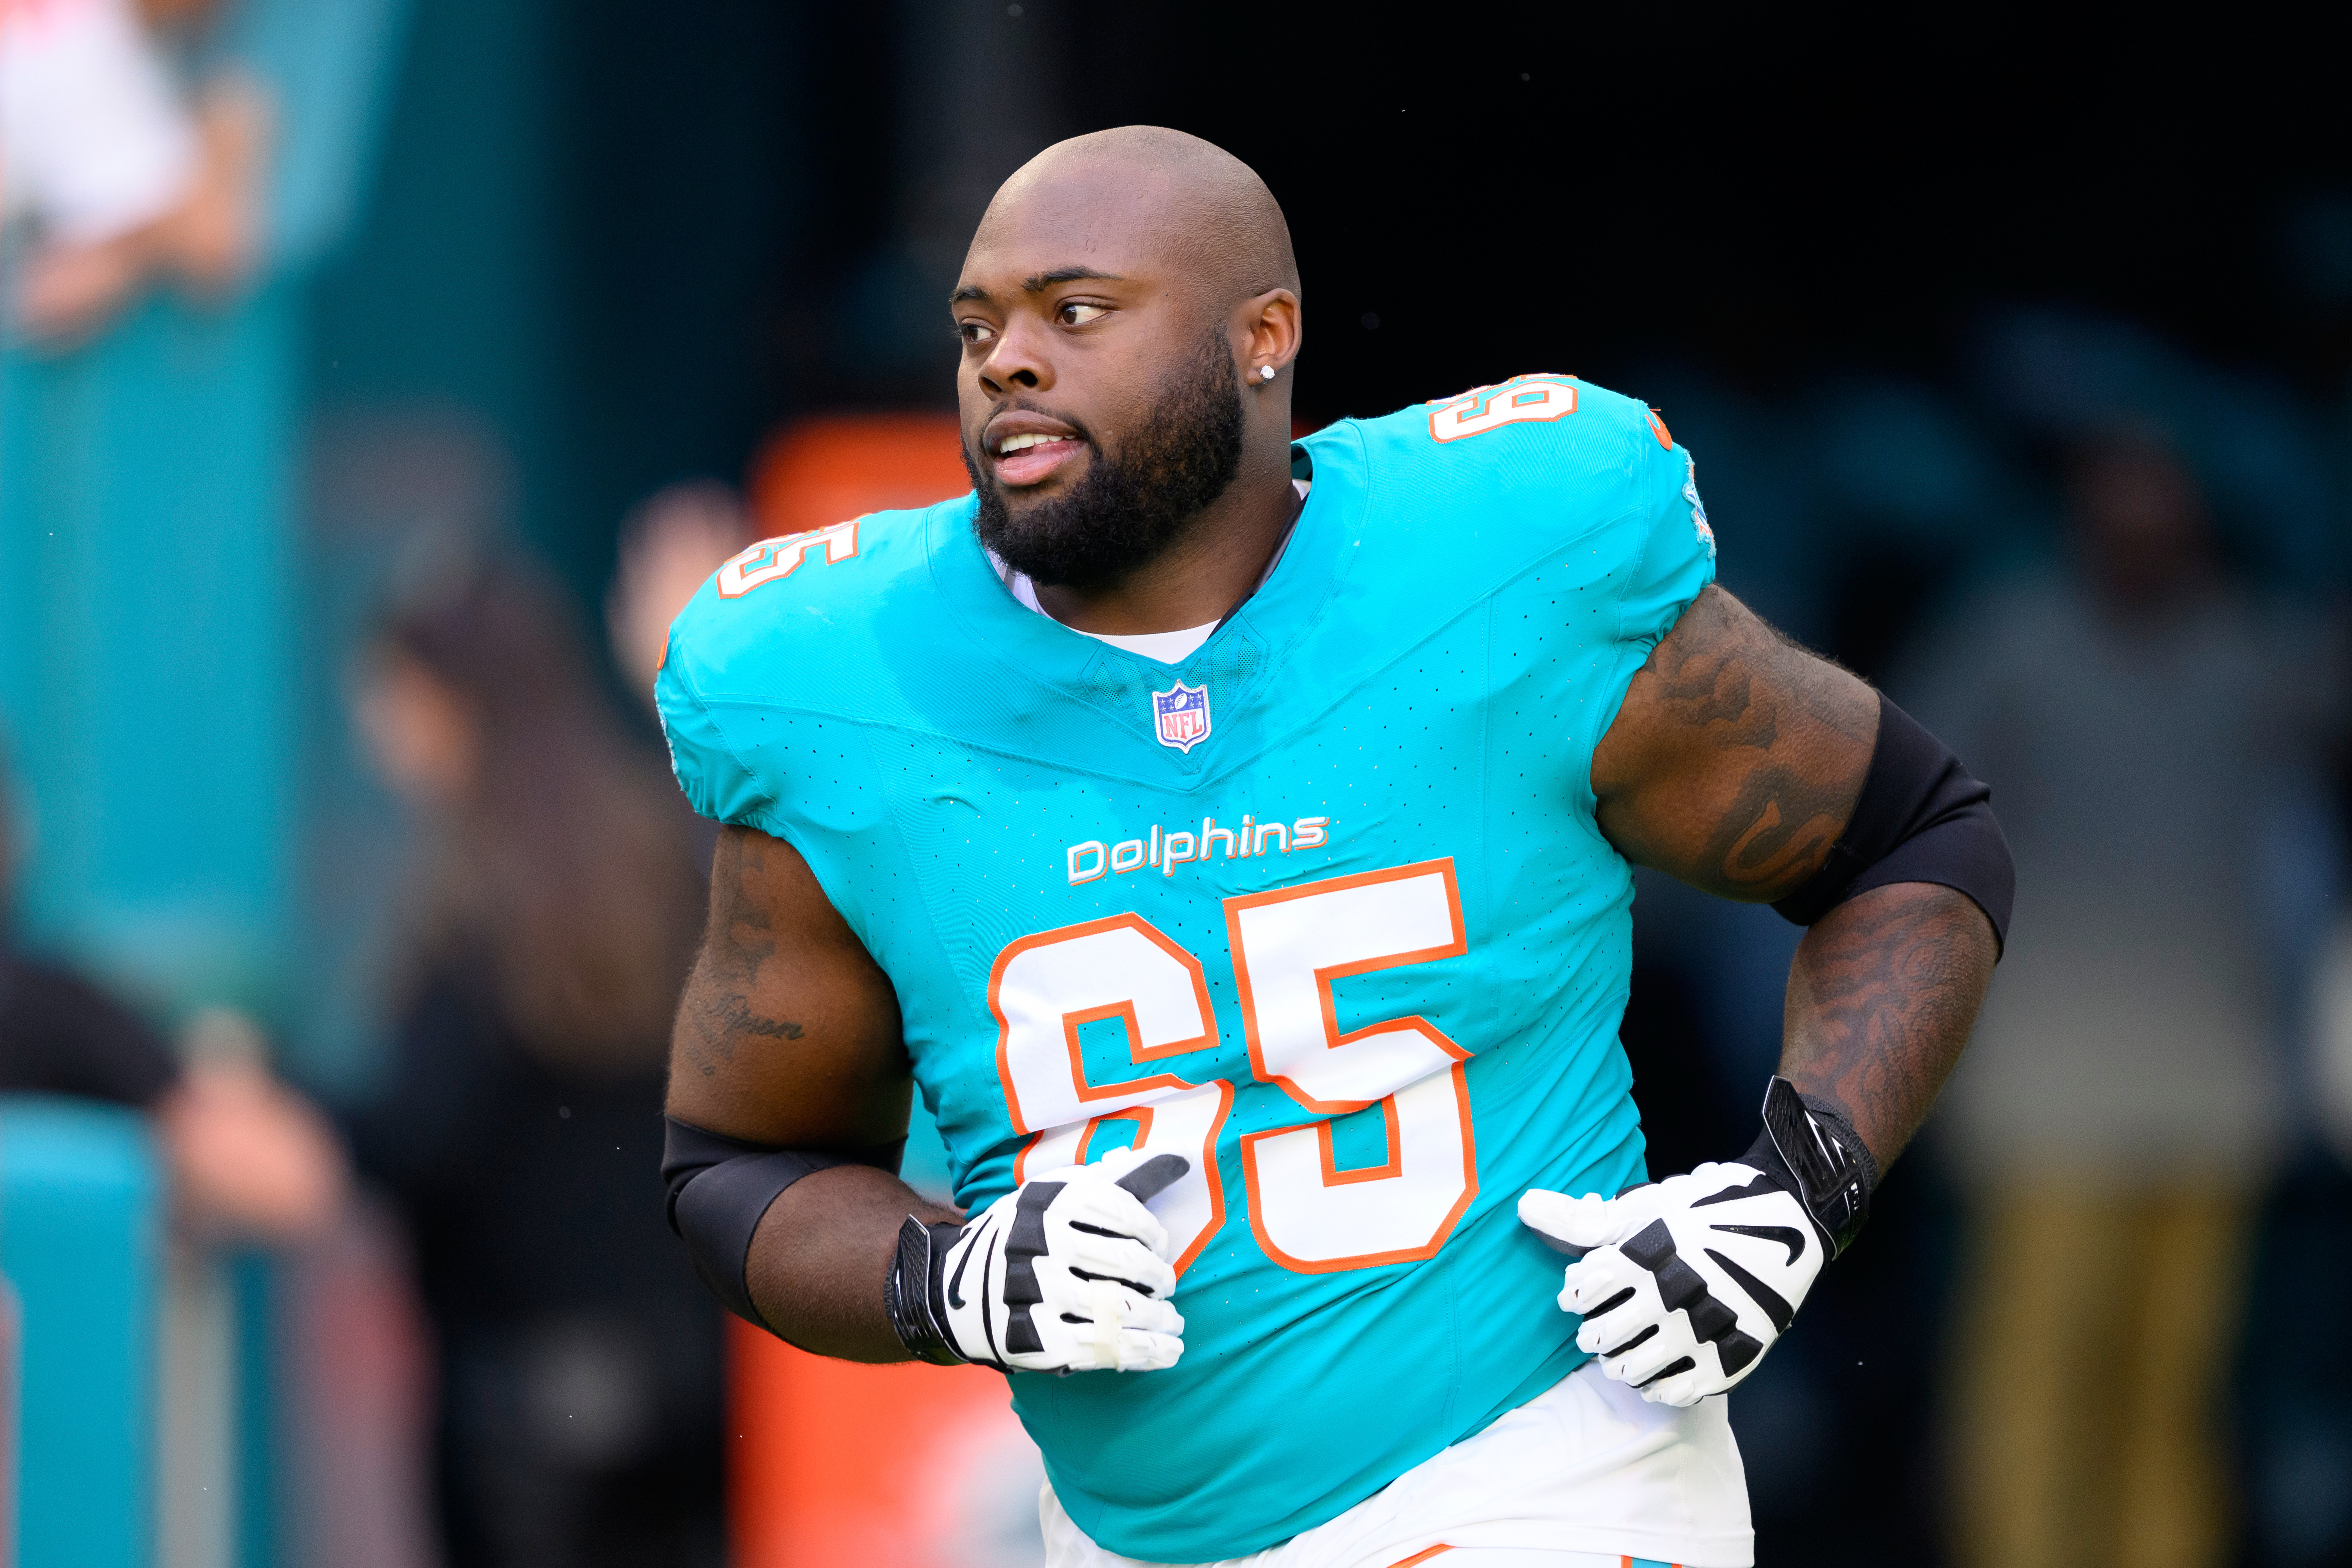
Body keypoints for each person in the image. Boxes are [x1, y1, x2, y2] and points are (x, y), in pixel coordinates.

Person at [656, 127, 2012, 1568]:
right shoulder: (836, 677)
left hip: (1546, 1465)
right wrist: (944, 1276)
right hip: (1139, 1531)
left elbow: (1915, 839)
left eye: (1077, 311)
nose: (1008, 364)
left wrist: (1794, 1188)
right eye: (978, 327)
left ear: (1265, 336)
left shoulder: (1503, 555)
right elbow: (737, 1160)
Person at [1897, 429, 2318, 1568]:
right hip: (2051, 1091)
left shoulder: (2247, 650)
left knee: (2178, 1394)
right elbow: (1896, 795)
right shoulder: (2009, 643)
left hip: (2211, 1088)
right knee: (2036, 1383)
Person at [347, 559, 724, 1568]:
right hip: (689, 1368)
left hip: (523, 1396)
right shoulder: (654, 847)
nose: (374, 727)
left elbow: (421, 1134)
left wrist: (290, 1110)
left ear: (449, 704)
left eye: (389, 696)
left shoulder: (477, 894)